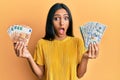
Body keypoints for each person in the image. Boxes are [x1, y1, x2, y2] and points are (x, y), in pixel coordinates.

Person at [14, 3, 99, 80]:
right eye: (56, 18)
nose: (62, 23)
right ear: (51, 21)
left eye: (66, 18)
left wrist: (85, 58)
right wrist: (29, 57)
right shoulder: (42, 43)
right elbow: (40, 75)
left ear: (69, 22)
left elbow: (79, 74)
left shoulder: (77, 42)